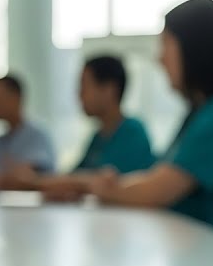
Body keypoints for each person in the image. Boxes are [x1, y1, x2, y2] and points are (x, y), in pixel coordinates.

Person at [85, 0, 213, 266]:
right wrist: (119, 186)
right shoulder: (204, 113)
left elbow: (158, 189)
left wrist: (109, 189)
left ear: (194, 49)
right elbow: (157, 177)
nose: (160, 58)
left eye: (166, 44)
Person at [22, 55, 155, 198]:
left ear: (109, 90)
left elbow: (101, 181)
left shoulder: (133, 133)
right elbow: (74, 176)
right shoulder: (99, 137)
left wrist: (35, 181)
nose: (79, 95)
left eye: (84, 86)